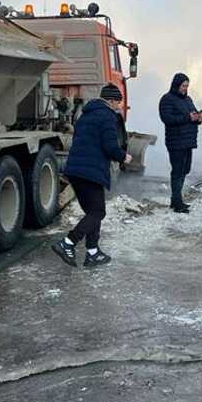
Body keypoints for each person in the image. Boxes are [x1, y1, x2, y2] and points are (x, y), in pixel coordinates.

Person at [52, 84, 132, 268]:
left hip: (75, 170)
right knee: (98, 212)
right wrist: (123, 157)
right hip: (91, 172)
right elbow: (110, 146)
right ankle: (68, 243)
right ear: (111, 101)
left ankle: (93, 253)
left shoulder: (85, 115)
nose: (119, 107)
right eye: (118, 103)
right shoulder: (108, 117)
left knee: (92, 213)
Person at [159, 73, 202, 213]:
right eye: (183, 86)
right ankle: (177, 202)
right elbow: (167, 119)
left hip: (188, 141)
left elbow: (193, 114)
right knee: (177, 171)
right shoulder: (167, 100)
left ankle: (175, 199)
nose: (185, 88)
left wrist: (199, 118)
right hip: (176, 141)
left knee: (185, 169)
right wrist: (187, 117)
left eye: (187, 86)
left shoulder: (188, 99)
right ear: (176, 85)